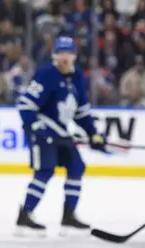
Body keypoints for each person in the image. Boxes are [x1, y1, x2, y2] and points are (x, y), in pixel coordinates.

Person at [15, 36, 107, 236]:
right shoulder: (46, 74)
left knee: (76, 167)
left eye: (68, 52)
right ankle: (25, 215)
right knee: (45, 171)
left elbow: (81, 112)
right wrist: (38, 128)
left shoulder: (78, 78)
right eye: (60, 52)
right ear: (54, 55)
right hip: (43, 134)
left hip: (61, 134)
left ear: (74, 55)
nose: (64, 57)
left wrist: (93, 133)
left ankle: (68, 216)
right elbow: (26, 106)